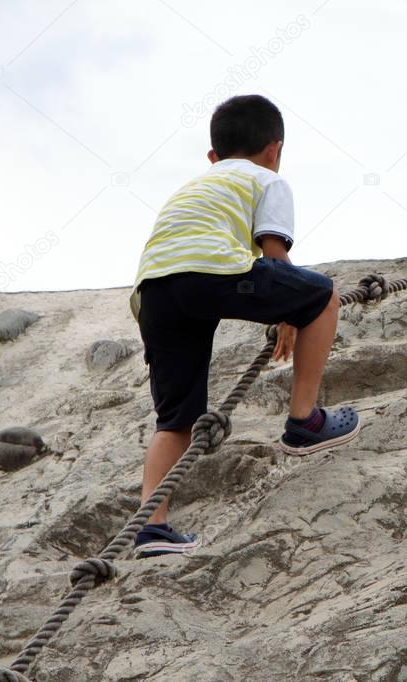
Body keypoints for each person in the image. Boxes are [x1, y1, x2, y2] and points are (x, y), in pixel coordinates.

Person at [128, 94, 361, 558]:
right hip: (213, 274)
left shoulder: (193, 186)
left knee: (176, 419)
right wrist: (291, 311)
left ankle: (151, 529)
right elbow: (273, 253)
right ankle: (304, 421)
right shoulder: (267, 179)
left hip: (154, 290)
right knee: (322, 295)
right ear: (275, 150)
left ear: (213, 156)